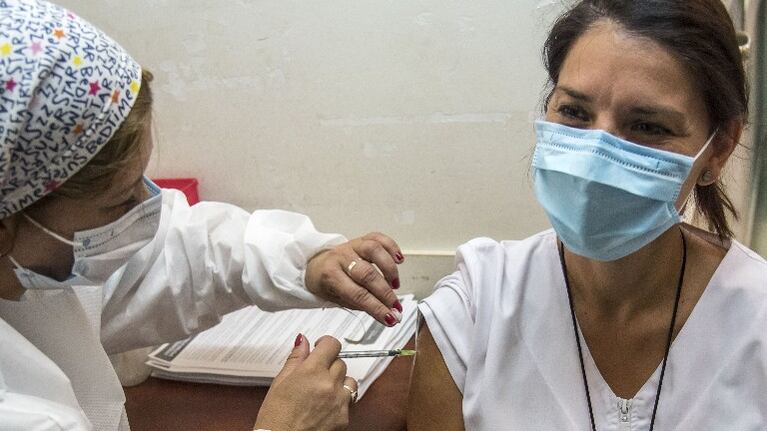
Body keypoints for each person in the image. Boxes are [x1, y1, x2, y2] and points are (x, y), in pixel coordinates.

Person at [0, 1, 406, 430]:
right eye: (119, 201)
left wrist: (304, 262)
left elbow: (176, 255)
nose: (149, 210)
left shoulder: (33, 255)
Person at [408, 0, 766, 429]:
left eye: (648, 126)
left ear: (719, 149)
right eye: (574, 112)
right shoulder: (473, 311)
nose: (596, 155)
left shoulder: (756, 323)